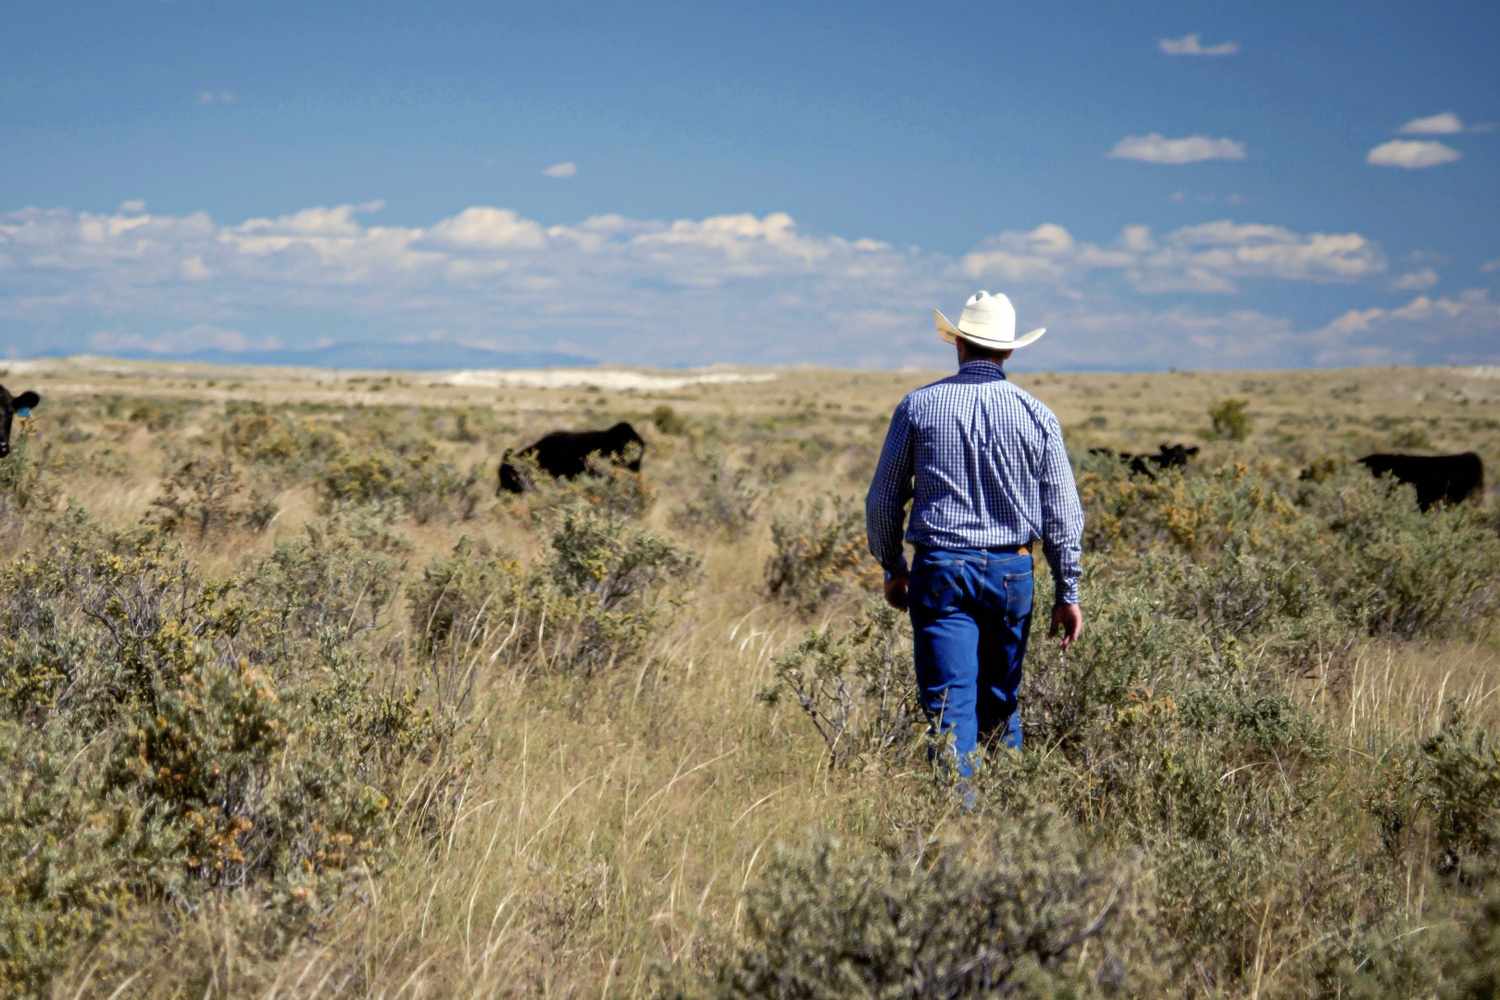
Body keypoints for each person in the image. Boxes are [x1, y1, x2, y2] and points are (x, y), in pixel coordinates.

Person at [865, 290, 1084, 781]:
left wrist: (893, 567)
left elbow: (882, 499)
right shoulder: (1037, 415)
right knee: (1000, 701)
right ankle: (1010, 816)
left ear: (958, 343)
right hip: (1012, 571)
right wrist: (1067, 592)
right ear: (1008, 351)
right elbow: (1064, 515)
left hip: (941, 568)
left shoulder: (919, 406)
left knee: (949, 708)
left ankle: (955, 827)